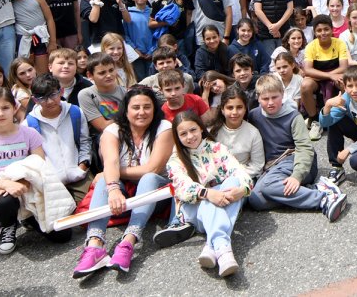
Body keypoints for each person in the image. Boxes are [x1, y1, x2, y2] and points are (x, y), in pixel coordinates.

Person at [72, 87, 174, 278]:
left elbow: (151, 169)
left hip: (155, 193)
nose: (141, 112)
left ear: (155, 109)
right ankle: (95, 246)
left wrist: (111, 174)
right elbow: (110, 161)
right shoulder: (112, 130)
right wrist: (112, 188)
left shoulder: (164, 128)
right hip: (126, 195)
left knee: (146, 178)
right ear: (126, 110)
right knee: (105, 183)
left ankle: (128, 242)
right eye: (136, 107)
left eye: (147, 107)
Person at [0, 87, 72, 255]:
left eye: (5, 108)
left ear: (14, 108)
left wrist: (21, 182)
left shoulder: (30, 134)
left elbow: (39, 166)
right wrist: (6, 184)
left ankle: (29, 218)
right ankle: (8, 225)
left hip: (30, 188)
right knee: (4, 202)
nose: (0, 113)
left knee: (63, 236)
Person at [158, 111, 252, 277]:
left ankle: (213, 245)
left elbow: (239, 171)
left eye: (193, 130)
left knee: (233, 183)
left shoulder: (217, 148)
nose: (190, 136)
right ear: (177, 137)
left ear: (201, 128)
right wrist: (208, 193)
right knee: (210, 198)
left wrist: (242, 190)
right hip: (194, 212)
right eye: (183, 134)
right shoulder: (175, 160)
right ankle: (222, 249)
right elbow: (183, 188)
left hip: (222, 202)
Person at [245, 75, 349, 221]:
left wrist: (297, 176)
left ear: (283, 94)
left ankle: (324, 199)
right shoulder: (254, 116)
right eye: (265, 99)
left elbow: (304, 148)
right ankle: (313, 189)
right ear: (258, 98)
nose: (270, 103)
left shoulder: (293, 116)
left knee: (267, 186)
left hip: (297, 159)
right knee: (256, 200)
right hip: (273, 167)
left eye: (275, 97)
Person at [26, 74, 93, 202]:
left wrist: (82, 166)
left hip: (78, 175)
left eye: (53, 95)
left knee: (91, 207)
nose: (50, 101)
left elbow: (85, 141)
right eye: (43, 98)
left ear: (61, 91)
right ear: (35, 100)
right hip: (51, 182)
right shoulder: (29, 123)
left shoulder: (75, 112)